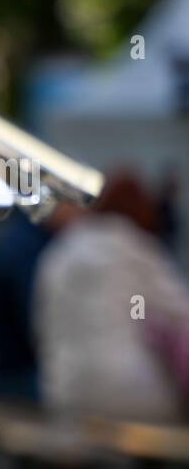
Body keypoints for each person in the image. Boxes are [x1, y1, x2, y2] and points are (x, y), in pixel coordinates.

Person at [34, 172, 189, 424]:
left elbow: (40, 325)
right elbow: (180, 311)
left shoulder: (59, 252)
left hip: (63, 393)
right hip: (131, 394)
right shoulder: (136, 249)